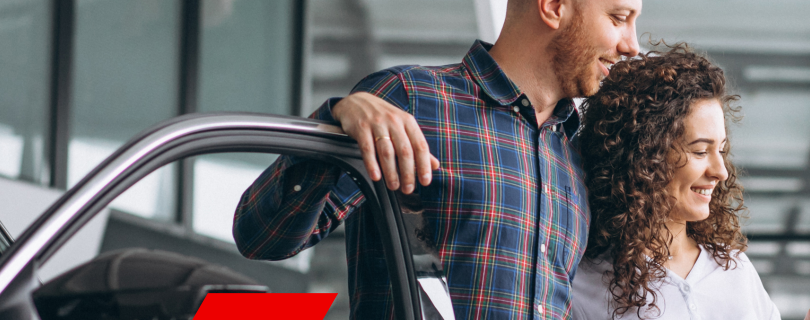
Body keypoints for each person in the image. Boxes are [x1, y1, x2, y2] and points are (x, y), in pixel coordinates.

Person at [231, 0, 642, 318]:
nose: (633, 45)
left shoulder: (575, 155)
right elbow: (261, 237)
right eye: (618, 17)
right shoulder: (411, 100)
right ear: (553, 6)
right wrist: (334, 120)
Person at [569, 43, 810, 320]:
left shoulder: (734, 269)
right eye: (700, 151)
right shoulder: (584, 283)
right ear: (642, 156)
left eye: (721, 150)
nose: (721, 171)